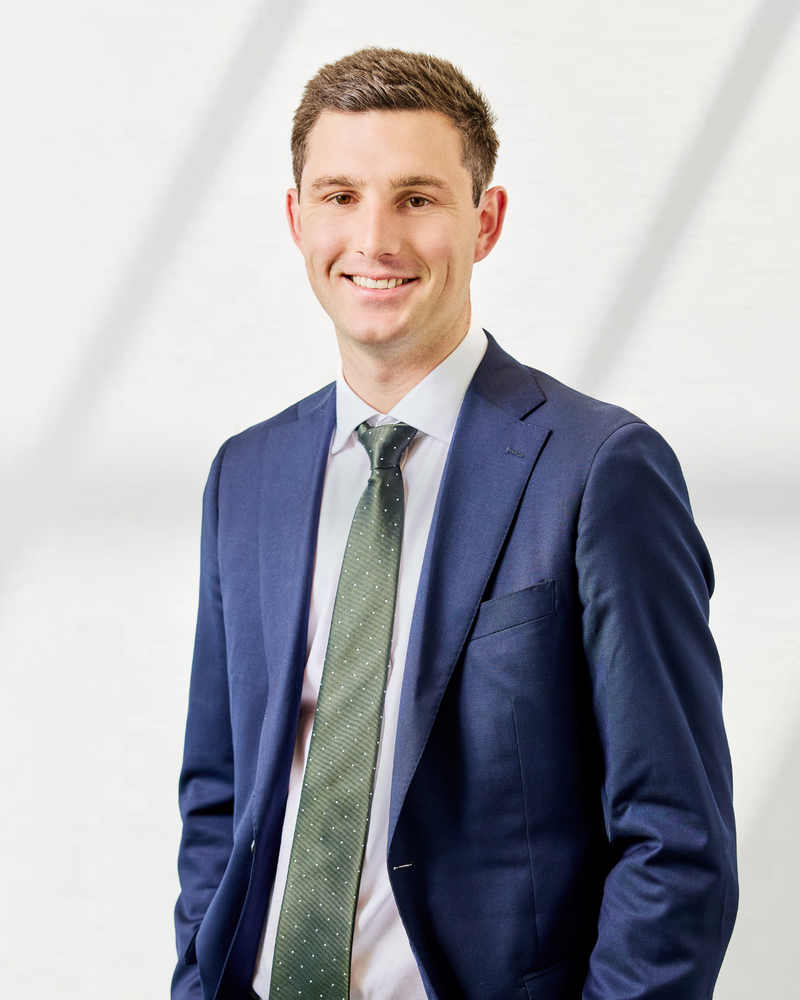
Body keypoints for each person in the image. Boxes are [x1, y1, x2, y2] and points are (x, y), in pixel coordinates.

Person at [172, 48, 737, 1000]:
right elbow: (218, 797)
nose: (376, 239)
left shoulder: (600, 470)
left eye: (418, 199)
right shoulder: (249, 475)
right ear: (296, 217)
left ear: (487, 220)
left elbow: (676, 840)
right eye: (341, 195)